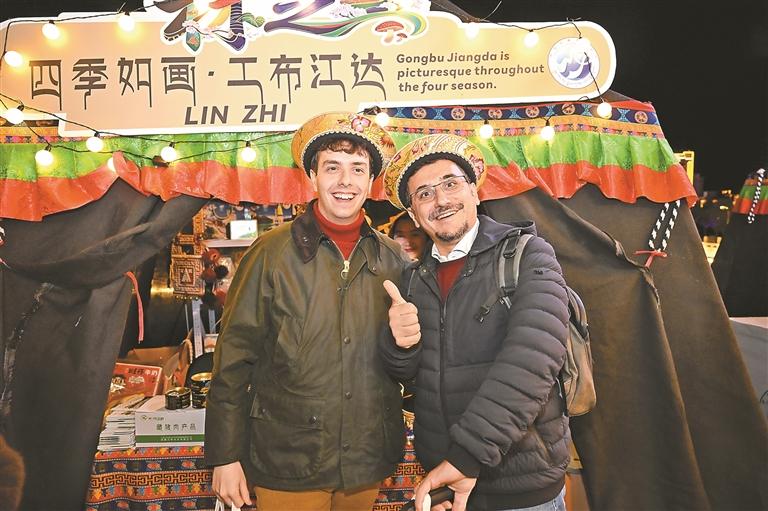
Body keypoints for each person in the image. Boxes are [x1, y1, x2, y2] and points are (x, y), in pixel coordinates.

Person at [205, 111, 410, 511]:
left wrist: (410, 343)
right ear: (313, 177)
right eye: (332, 167)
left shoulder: (392, 259)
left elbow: (403, 362)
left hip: (365, 457)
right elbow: (232, 360)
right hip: (288, 456)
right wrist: (224, 455)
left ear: (371, 180)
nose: (345, 181)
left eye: (357, 169)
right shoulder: (270, 254)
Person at [378, 134, 571, 511]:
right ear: (415, 215)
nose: (440, 200)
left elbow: (533, 362)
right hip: (446, 486)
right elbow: (410, 376)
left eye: (450, 184)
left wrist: (466, 458)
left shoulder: (528, 255)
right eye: (424, 194)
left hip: (520, 488)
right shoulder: (413, 279)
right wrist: (399, 345)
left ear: (475, 192)